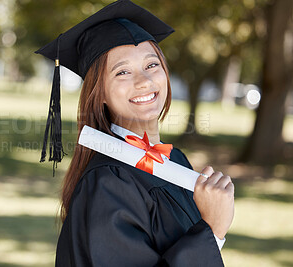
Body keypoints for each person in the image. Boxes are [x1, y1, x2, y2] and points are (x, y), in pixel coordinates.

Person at [36, 0, 234, 266]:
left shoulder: (175, 160)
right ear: (100, 93)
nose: (144, 81)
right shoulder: (107, 183)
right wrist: (212, 231)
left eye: (152, 65)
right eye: (123, 72)